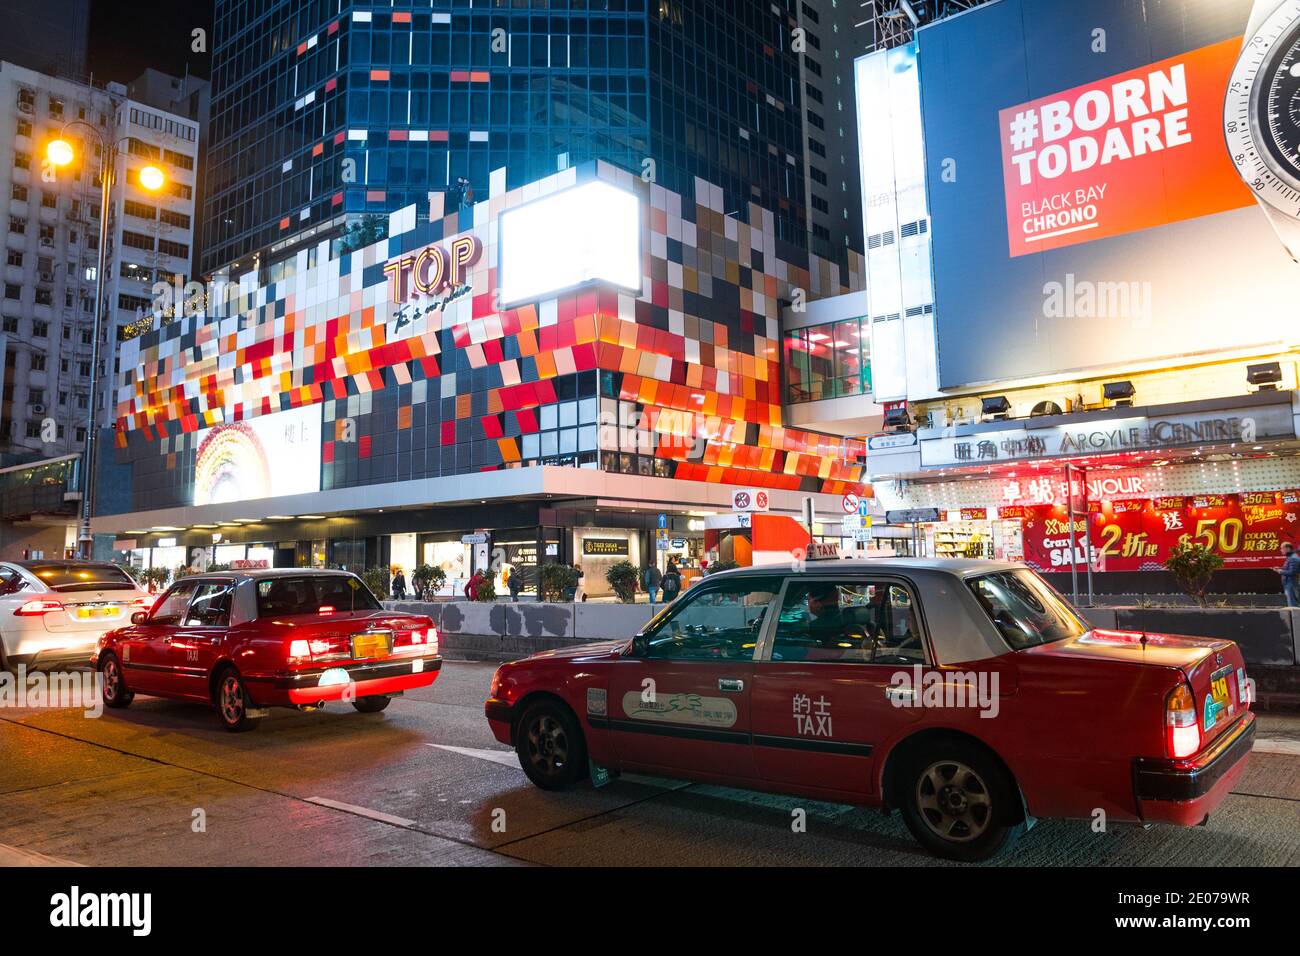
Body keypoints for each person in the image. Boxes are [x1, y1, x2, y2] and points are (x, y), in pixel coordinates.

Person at [1281, 543, 1300, 608]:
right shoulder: (1290, 557)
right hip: (1289, 584)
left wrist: (1280, 571)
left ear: (1288, 548)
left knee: (1294, 606)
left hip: (1292, 584)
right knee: (1292, 606)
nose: (1281, 550)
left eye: (1282, 548)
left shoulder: (1293, 558)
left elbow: (1292, 572)